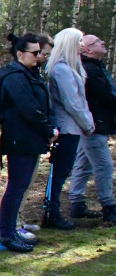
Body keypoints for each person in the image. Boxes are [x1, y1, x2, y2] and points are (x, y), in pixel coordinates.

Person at [0, 33, 56, 253]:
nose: (39, 56)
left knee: (20, 187)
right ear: (20, 54)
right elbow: (28, 108)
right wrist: (48, 130)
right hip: (20, 139)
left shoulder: (29, 74)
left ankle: (11, 231)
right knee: (16, 187)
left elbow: (42, 106)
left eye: (40, 52)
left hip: (29, 138)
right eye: (35, 52)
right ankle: (7, 235)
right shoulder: (14, 77)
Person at [43, 28, 94, 229]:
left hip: (71, 127)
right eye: (79, 40)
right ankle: (51, 213)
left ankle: (52, 211)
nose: (82, 45)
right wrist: (87, 124)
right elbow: (72, 102)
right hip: (66, 128)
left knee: (63, 170)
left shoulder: (68, 68)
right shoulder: (62, 70)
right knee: (60, 171)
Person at [69, 35, 116, 224]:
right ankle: (109, 207)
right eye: (97, 41)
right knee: (104, 165)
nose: (103, 42)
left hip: (95, 124)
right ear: (87, 49)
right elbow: (106, 95)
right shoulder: (88, 69)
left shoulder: (96, 67)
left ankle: (77, 203)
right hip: (93, 126)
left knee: (84, 163)